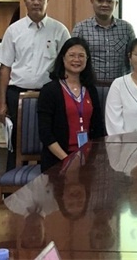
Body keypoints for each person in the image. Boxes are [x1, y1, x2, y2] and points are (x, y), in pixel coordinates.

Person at [0, 0, 71, 171]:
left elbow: (68, 66)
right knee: (16, 142)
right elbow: (5, 68)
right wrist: (2, 102)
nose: (36, 2)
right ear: (25, 1)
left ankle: (45, 183)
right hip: (17, 93)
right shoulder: (14, 30)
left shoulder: (59, 30)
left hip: (49, 94)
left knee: (48, 140)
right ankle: (13, 186)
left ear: (48, 0)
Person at [37, 37, 106, 172]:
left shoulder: (91, 90)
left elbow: (98, 128)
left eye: (81, 56)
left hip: (87, 160)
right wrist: (67, 160)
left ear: (87, 59)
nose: (76, 59)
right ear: (63, 58)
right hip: (57, 161)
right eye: (72, 55)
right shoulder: (50, 90)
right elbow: (45, 133)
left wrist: (90, 158)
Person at [72, 0, 135, 82]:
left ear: (116, 4)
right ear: (92, 2)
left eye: (109, 1)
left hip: (120, 86)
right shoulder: (80, 28)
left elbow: (133, 58)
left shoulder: (126, 28)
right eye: (100, 1)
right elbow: (73, 60)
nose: (105, 5)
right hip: (89, 86)